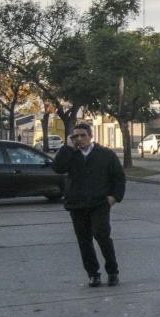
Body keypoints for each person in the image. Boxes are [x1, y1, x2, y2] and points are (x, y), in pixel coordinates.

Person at [53, 122, 126, 287]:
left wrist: (114, 197)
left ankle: (113, 272)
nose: (79, 139)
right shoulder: (71, 154)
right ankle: (93, 274)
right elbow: (57, 168)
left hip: (99, 203)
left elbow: (119, 177)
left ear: (91, 136)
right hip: (77, 204)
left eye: (83, 135)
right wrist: (67, 147)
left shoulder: (105, 154)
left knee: (102, 236)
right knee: (84, 241)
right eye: (76, 136)